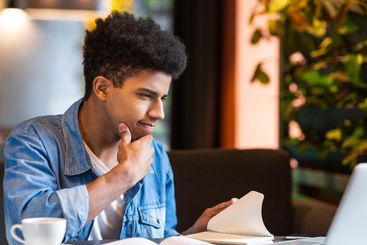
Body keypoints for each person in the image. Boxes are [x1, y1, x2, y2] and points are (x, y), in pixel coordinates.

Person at [3, 12, 236, 244]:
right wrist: (123, 176)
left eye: (162, 99)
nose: (159, 113)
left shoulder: (156, 156)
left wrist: (195, 233)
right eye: (146, 95)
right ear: (102, 88)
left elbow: (160, 240)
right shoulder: (34, 141)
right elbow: (27, 231)